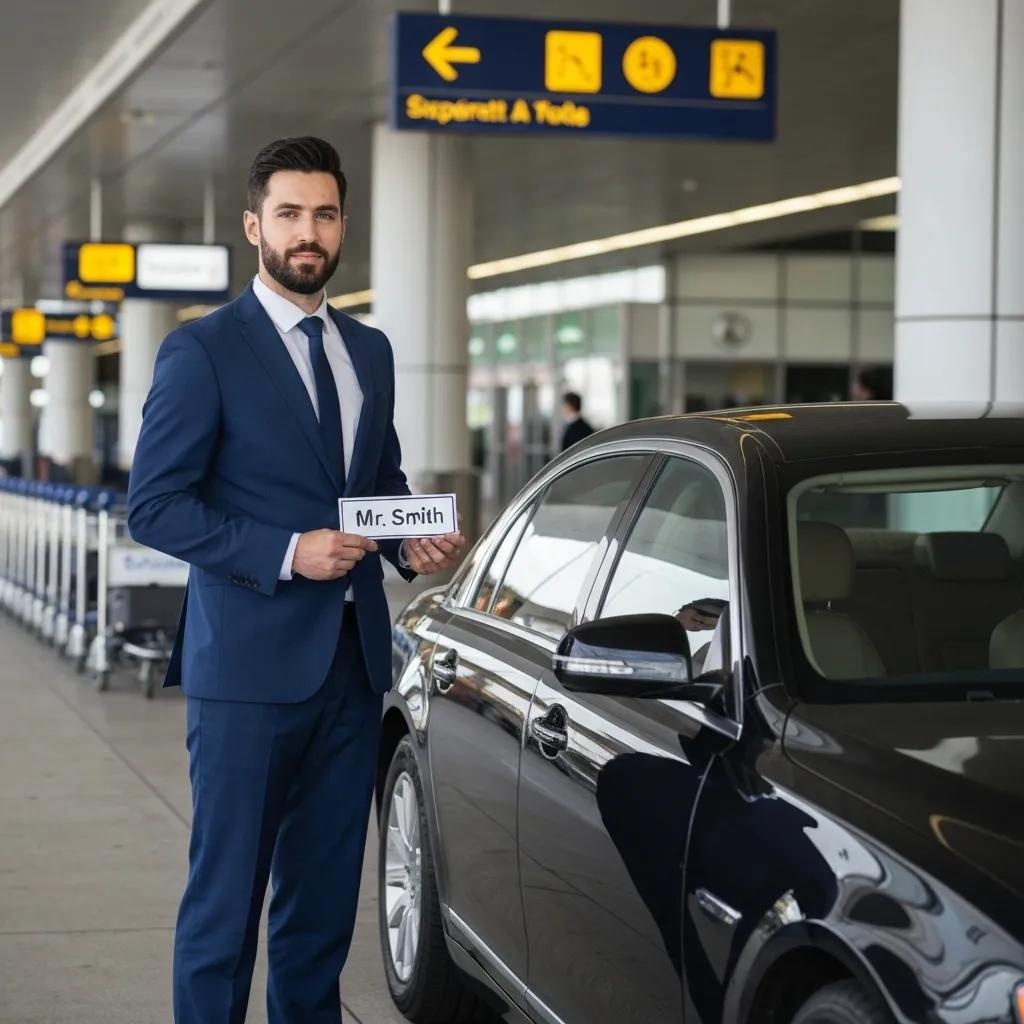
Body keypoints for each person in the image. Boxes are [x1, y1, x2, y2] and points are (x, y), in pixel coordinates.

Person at [127, 136, 466, 1024]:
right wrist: (289, 551)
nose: (306, 231)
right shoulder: (202, 352)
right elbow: (155, 506)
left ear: (343, 224)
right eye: (288, 214)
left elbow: (373, 486)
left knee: (319, 916)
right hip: (244, 673)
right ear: (254, 227)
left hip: (353, 669)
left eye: (322, 213)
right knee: (225, 909)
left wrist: (410, 541)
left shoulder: (373, 351)